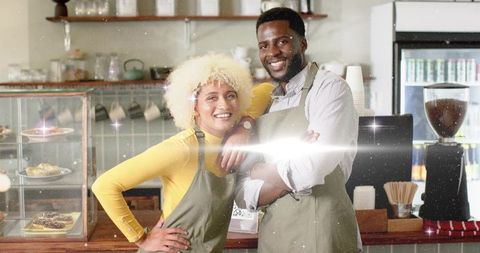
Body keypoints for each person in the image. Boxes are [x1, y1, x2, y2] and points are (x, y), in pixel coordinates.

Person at [92, 53, 272, 253]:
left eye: (231, 95)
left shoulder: (229, 140)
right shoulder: (182, 149)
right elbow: (104, 185)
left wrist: (244, 126)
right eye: (211, 97)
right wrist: (141, 238)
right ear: (194, 107)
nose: (224, 104)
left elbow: (267, 89)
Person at [234, 7, 362, 253]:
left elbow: (312, 169)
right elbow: (241, 191)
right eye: (264, 45)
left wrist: (260, 170)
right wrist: (289, 169)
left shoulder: (329, 89)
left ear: (302, 43)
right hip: (275, 236)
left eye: (282, 41)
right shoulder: (265, 100)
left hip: (324, 232)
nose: (272, 52)